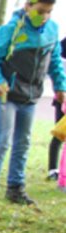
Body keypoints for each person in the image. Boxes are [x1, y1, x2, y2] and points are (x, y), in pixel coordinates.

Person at [0, 0, 66, 211]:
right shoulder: (11, 30)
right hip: (7, 95)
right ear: (27, 6)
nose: (44, 16)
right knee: (2, 140)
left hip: (30, 95)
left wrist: (60, 86)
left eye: (48, 11)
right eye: (40, 11)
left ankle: (15, 188)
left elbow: (55, 61)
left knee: (23, 142)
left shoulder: (52, 30)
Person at [49, 33, 66, 180]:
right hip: (63, 99)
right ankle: (53, 169)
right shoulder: (62, 46)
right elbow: (56, 63)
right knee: (59, 134)